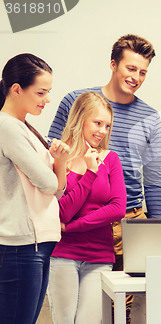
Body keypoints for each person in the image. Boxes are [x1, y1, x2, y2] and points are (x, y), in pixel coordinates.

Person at [48, 34, 161, 323]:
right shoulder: (77, 100)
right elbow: (54, 152)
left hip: (130, 216)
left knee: (124, 308)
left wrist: (158, 228)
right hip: (73, 216)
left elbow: (153, 176)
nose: (136, 77)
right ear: (114, 65)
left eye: (143, 72)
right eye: (130, 68)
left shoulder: (150, 116)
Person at [0, 53, 69, 324]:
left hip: (35, 244)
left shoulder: (24, 127)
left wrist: (60, 162)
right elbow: (49, 183)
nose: (47, 99)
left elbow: (58, 188)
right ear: (16, 89)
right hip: (20, 245)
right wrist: (55, 171)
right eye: (41, 92)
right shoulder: (7, 127)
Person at [47, 92, 126, 324]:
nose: (102, 131)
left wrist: (72, 228)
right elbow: (62, 212)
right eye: (97, 123)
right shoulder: (60, 158)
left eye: (107, 125)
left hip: (100, 256)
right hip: (63, 254)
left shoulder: (111, 159)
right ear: (80, 119)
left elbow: (118, 208)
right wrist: (90, 173)